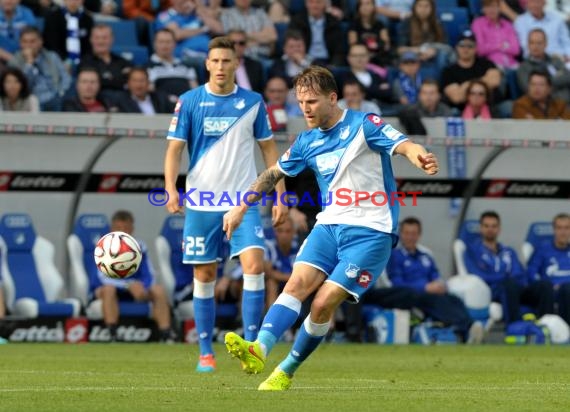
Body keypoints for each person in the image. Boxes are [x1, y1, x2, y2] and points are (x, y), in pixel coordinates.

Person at [222, 65, 439, 390]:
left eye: (311, 101)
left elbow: (405, 145)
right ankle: (258, 349)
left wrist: (420, 157)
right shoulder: (307, 141)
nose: (305, 108)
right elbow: (273, 174)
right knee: (295, 286)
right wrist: (240, 207)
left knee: (323, 302)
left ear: (333, 98)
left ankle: (287, 370)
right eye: (300, 102)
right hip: (329, 226)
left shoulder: (364, 126)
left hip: (371, 232)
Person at [163, 36, 287, 373]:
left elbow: (270, 152)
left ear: (236, 64)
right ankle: (205, 351)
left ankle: (250, 347)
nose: (220, 67)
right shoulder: (189, 101)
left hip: (242, 202)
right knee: (204, 274)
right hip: (202, 202)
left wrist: (280, 194)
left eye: (226, 61)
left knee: (254, 266)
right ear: (207, 64)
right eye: (215, 61)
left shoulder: (253, 102)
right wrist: (171, 190)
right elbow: (174, 150)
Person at [385, 217, 484, 343]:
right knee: (433, 300)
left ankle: (467, 332)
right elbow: (396, 283)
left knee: (454, 299)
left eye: (414, 233)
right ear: (401, 234)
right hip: (410, 294)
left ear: (419, 235)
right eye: (407, 233)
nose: (410, 237)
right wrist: (424, 287)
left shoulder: (425, 256)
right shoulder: (395, 256)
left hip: (431, 292)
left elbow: (435, 275)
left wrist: (440, 285)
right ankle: (469, 327)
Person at [92, 210, 174, 342]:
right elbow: (102, 277)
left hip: (135, 290)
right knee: (108, 289)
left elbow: (150, 274)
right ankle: (111, 333)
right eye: (118, 228)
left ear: (132, 229)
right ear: (111, 229)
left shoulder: (140, 247)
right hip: (108, 289)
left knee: (158, 289)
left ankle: (166, 334)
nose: (122, 232)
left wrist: (143, 288)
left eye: (126, 228)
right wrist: (127, 285)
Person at [464, 211, 555, 325]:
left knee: (544, 285)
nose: (490, 229)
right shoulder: (472, 251)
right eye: (486, 226)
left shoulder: (509, 252)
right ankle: (514, 327)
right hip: (493, 291)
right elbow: (479, 275)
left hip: (516, 288)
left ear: (499, 229)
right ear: (481, 228)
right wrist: (505, 277)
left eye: (494, 226)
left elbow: (520, 274)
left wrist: (512, 279)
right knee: (509, 284)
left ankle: (547, 326)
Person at [8, 26, 71, 111]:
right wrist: (29, 63)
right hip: (30, 102)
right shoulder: (14, 62)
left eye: (32, 41)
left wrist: (60, 92)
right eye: (25, 42)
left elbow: (66, 78)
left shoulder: (52, 56)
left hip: (55, 98)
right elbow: (22, 87)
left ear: (40, 42)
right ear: (20, 43)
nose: (28, 45)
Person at [441, 29, 502, 111]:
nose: (466, 49)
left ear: (476, 48)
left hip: (490, 108)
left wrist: (465, 87)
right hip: (462, 111)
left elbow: (495, 81)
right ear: (456, 47)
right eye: (462, 45)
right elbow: (456, 97)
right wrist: (483, 82)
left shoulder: (486, 64)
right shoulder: (449, 71)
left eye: (470, 45)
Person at [527, 213, 570, 324]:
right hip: (549, 291)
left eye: (567, 228)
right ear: (554, 230)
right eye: (559, 228)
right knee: (547, 288)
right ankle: (548, 328)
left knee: (567, 289)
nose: (563, 232)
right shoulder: (542, 249)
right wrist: (550, 286)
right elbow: (531, 273)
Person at [516, 28, 570, 102]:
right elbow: (531, 90)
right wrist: (557, 78)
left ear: (545, 44)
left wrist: (546, 82)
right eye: (532, 43)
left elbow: (568, 76)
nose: (535, 46)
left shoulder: (554, 60)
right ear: (528, 45)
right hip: (548, 107)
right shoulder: (523, 68)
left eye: (539, 43)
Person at [147, 28, 199, 100]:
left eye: (168, 42)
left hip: (186, 106)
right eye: (161, 42)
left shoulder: (187, 66)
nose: (165, 45)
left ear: (175, 44)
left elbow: (195, 91)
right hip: (163, 108)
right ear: (154, 44)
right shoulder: (147, 67)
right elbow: (150, 93)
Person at [42, 0, 94, 70]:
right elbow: (50, 44)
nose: (73, 2)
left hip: (83, 63)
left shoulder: (88, 19)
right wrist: (64, 60)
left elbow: (90, 45)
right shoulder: (52, 17)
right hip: (57, 62)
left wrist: (83, 62)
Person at [471, 0, 521, 70]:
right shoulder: (478, 24)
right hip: (490, 64)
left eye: (494, 6)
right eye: (488, 7)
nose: (492, 10)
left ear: (500, 8)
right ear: (483, 9)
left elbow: (516, 50)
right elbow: (480, 49)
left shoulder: (508, 24)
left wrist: (491, 46)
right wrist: (500, 45)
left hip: (511, 63)